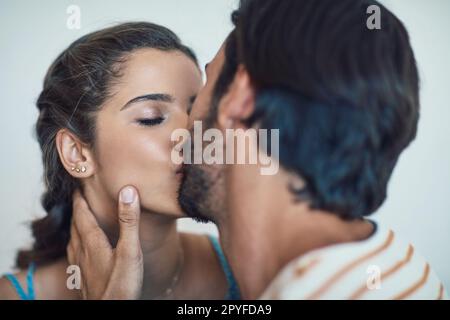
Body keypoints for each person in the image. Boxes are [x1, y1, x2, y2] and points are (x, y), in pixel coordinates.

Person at [55, 0, 448, 299]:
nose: (183, 132)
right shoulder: (402, 269)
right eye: (152, 116)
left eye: (197, 97)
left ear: (239, 97)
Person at [0, 22, 239, 300]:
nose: (191, 134)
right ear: (77, 153)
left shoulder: (248, 272)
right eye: (151, 118)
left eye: (195, 110)